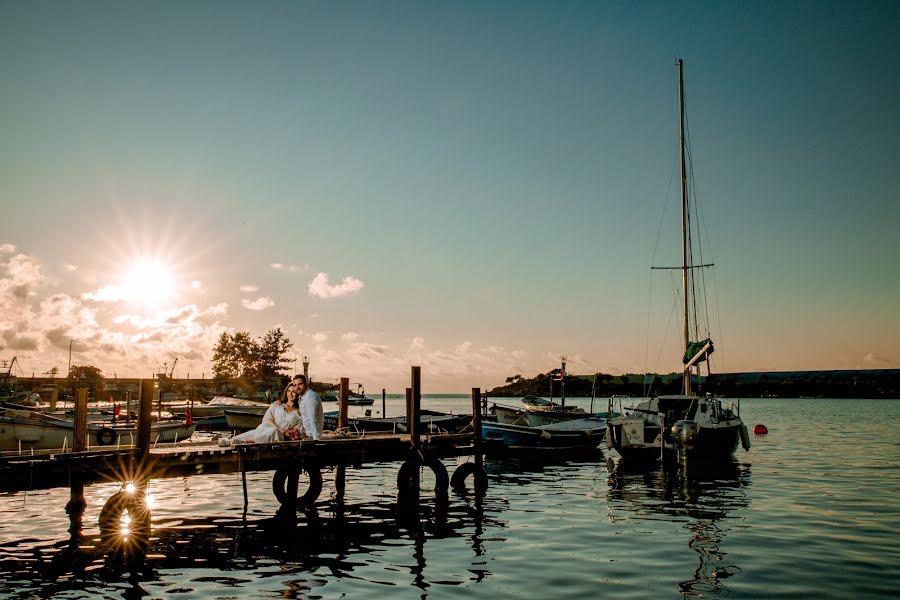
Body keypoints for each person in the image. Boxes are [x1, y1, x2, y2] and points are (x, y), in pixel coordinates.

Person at [229, 382, 301, 445]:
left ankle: (246, 441)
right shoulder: (278, 405)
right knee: (237, 438)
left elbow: (296, 431)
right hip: (266, 428)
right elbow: (268, 419)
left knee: (274, 431)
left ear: (297, 394)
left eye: (293, 392)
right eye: (288, 391)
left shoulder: (298, 412)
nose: (290, 394)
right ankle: (231, 440)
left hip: (279, 436)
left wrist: (287, 432)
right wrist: (279, 428)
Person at [293, 374, 324, 440]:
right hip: (306, 434)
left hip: (312, 436)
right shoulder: (302, 397)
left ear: (306, 384)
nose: (297, 387)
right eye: (295, 385)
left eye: (300, 384)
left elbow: (312, 419)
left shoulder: (309, 397)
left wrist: (316, 440)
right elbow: (305, 418)